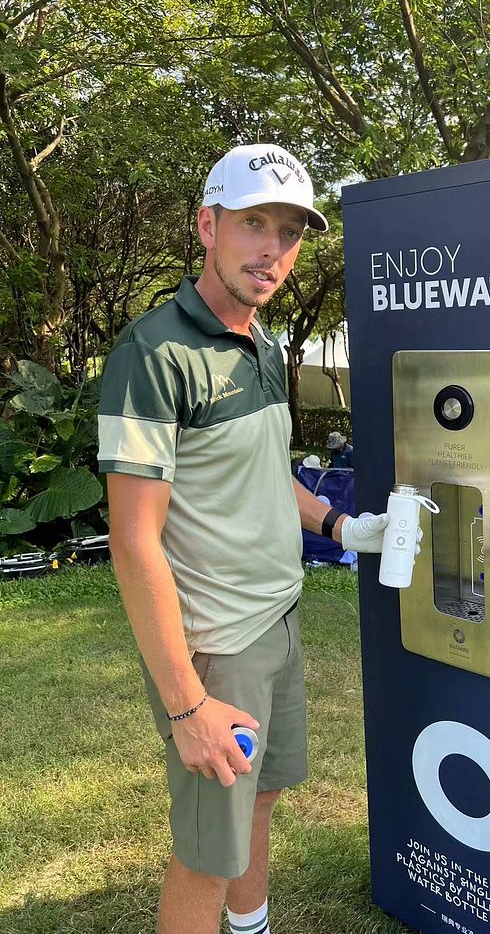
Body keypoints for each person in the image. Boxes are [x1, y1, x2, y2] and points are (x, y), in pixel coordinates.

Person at [97, 144, 391, 934]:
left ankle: (251, 927)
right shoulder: (152, 355)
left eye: (289, 231)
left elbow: (264, 472)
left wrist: (338, 523)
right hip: (217, 646)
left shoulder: (260, 345)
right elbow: (133, 540)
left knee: (259, 797)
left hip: (279, 621)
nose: (272, 248)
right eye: (254, 222)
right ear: (208, 224)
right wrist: (187, 702)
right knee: (206, 850)